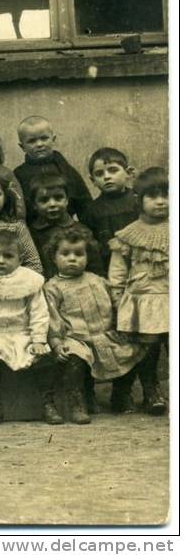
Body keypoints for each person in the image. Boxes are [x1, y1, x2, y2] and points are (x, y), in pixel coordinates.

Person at [44, 227, 145, 424]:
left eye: (79, 254)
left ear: (88, 256)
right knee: (74, 360)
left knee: (132, 350)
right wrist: (56, 342)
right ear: (54, 257)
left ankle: (120, 395)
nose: (72, 259)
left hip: (105, 335)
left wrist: (122, 327)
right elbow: (52, 318)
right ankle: (79, 401)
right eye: (65, 254)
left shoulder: (98, 281)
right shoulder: (52, 288)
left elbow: (116, 305)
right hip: (76, 339)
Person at [0, 229, 57, 425]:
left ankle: (48, 403)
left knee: (43, 358)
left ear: (20, 258)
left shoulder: (29, 281)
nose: (1, 261)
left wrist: (38, 340)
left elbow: (39, 312)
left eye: (8, 256)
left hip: (23, 334)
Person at [108, 167, 169, 415]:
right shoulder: (129, 234)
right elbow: (118, 271)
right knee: (147, 349)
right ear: (139, 200)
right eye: (153, 196)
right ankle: (151, 391)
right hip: (144, 300)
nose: (161, 201)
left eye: (167, 195)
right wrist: (116, 297)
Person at [13, 115, 92, 222]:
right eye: (32, 141)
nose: (39, 144)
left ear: (53, 139)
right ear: (22, 147)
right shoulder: (19, 174)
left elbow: (84, 202)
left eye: (44, 138)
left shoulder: (65, 168)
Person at [27, 173, 104, 278]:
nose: (52, 204)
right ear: (34, 205)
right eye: (44, 200)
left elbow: (95, 267)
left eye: (58, 198)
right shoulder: (31, 233)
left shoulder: (81, 231)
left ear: (67, 200)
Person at [82, 147, 139, 269]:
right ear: (93, 181)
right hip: (109, 267)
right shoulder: (92, 210)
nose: (106, 177)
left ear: (128, 173)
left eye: (113, 170)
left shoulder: (138, 201)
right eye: (99, 174)